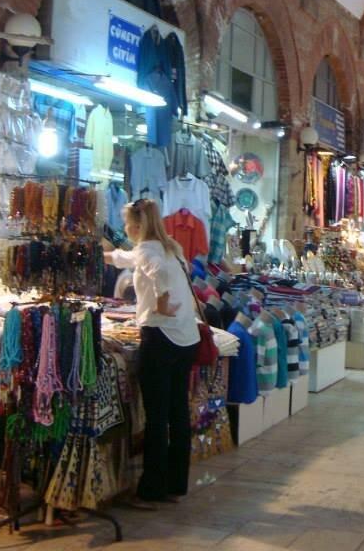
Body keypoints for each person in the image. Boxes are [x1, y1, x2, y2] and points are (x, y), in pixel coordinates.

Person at [104, 199, 200, 508]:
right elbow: (128, 259)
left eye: (126, 225)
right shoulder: (168, 246)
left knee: (157, 417)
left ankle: (151, 490)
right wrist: (104, 255)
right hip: (185, 337)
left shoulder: (150, 251)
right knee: (177, 413)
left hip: (161, 337)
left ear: (134, 226)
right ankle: (175, 484)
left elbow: (153, 270)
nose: (125, 230)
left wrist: (160, 301)